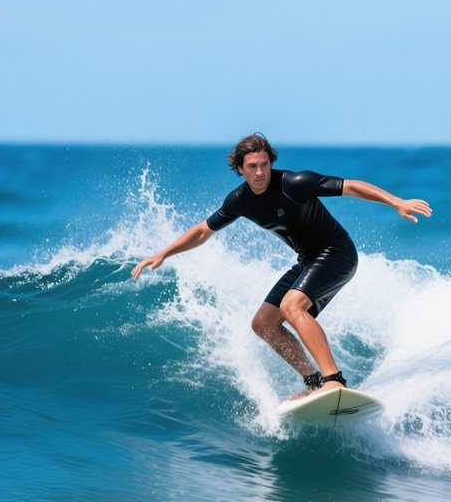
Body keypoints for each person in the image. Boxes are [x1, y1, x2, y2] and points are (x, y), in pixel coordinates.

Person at [131, 133, 432, 397]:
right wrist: (164, 253)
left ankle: (334, 380)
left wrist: (396, 201)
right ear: (240, 169)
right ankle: (314, 382)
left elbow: (350, 186)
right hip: (308, 260)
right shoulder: (240, 200)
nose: (260, 172)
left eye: (264, 164)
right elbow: (202, 230)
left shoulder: (294, 183)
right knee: (263, 323)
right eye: (252, 166)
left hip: (337, 253)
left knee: (292, 306)